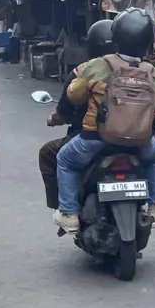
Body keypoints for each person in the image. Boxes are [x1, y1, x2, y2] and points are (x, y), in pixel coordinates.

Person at [52, 8, 155, 233]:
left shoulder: (98, 65)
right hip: (140, 141)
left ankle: (69, 213)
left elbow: (74, 95)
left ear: (115, 36)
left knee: (65, 160)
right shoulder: (152, 72)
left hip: (96, 138)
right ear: (148, 42)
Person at [38, 19, 114, 209]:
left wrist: (55, 118)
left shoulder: (85, 71)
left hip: (92, 137)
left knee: (52, 154)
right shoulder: (139, 68)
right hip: (136, 139)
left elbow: (67, 104)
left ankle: (66, 210)